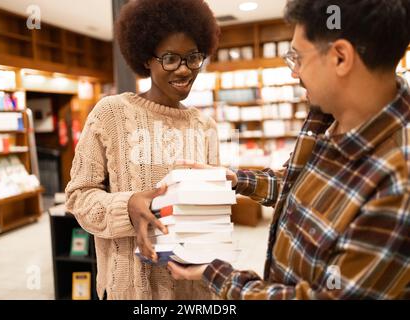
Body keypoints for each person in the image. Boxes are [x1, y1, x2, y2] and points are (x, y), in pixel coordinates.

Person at [167, 0, 410, 299]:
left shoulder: (398, 181)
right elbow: (302, 190)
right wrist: (233, 179)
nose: (294, 73)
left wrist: (217, 274)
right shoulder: (329, 115)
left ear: (340, 58)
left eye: (297, 57)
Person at [65, 0, 221, 300]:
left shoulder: (206, 127)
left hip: (193, 289)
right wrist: (127, 207)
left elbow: (211, 211)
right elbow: (78, 196)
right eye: (171, 58)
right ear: (146, 58)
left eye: (193, 57)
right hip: (132, 289)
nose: (184, 69)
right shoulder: (110, 114)